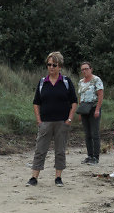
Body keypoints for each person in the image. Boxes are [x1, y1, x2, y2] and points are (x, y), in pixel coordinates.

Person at [28, 51, 78, 186]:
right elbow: (36, 102)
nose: (51, 67)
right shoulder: (42, 82)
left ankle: (58, 177)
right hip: (45, 121)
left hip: (62, 122)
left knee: (60, 150)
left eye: (54, 65)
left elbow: (74, 102)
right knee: (40, 149)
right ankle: (34, 177)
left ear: (60, 66)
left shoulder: (66, 82)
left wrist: (69, 119)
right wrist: (38, 120)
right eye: (49, 64)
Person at [77, 62, 104, 164]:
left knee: (95, 133)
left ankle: (96, 157)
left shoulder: (96, 80)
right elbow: (80, 96)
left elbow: (100, 95)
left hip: (93, 107)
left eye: (86, 69)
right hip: (84, 108)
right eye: (82, 69)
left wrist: (97, 109)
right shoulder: (81, 82)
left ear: (91, 69)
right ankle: (89, 155)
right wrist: (80, 111)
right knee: (87, 133)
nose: (84, 71)